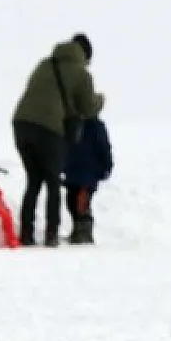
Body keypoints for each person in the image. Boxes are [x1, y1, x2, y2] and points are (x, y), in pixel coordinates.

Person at [11, 34, 101, 247]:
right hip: (48, 130)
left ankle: (26, 232)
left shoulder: (45, 63)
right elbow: (87, 109)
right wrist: (100, 100)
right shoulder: (82, 74)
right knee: (52, 181)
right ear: (85, 55)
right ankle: (51, 234)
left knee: (33, 180)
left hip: (21, 124)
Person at [62, 95, 113, 245]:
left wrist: (106, 166)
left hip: (88, 173)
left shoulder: (96, 126)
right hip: (73, 172)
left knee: (81, 202)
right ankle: (78, 230)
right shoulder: (72, 125)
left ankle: (84, 232)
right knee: (71, 201)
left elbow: (104, 148)